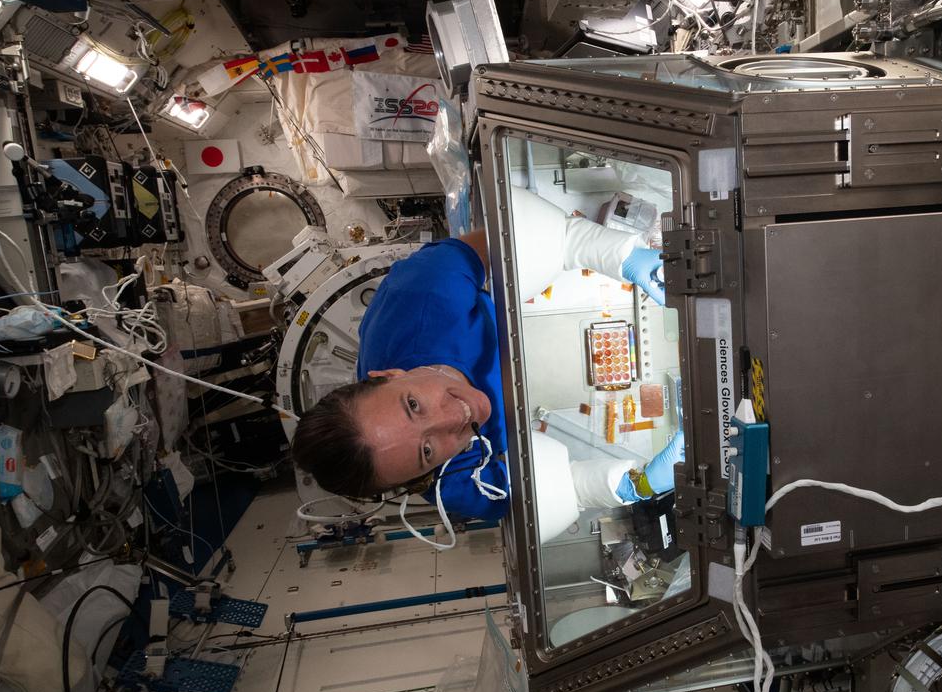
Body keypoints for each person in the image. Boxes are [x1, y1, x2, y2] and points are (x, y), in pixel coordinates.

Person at [290, 187, 683, 525]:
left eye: (414, 405)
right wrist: (639, 483)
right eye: (427, 451)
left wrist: (619, 255)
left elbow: (507, 240)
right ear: (421, 480)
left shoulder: (419, 296)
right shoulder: (456, 483)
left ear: (390, 374)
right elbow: (569, 488)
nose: (453, 418)